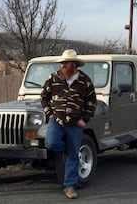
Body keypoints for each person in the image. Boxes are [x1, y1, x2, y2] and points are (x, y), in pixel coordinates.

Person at [41, 49, 97, 199]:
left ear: (74, 64)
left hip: (75, 123)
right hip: (56, 120)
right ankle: (66, 148)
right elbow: (44, 97)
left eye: (66, 63)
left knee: (74, 155)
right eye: (62, 63)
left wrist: (84, 119)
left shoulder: (85, 81)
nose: (63, 65)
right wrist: (49, 113)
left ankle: (69, 187)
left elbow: (91, 102)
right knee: (51, 143)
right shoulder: (53, 79)